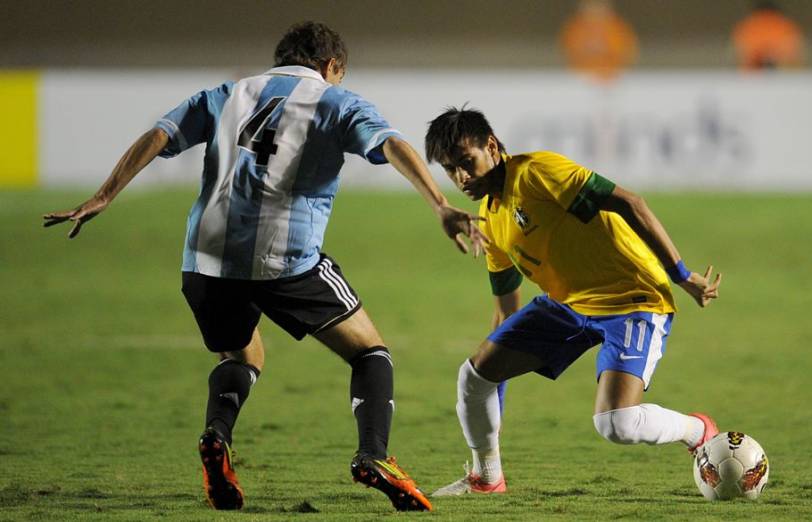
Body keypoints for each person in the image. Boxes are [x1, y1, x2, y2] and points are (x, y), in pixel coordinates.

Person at [43, 21, 484, 512]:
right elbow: (391, 144)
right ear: (331, 66)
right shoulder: (337, 101)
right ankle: (373, 456)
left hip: (205, 263)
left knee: (241, 358)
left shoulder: (229, 93)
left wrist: (105, 195)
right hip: (286, 261)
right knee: (369, 353)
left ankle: (217, 436)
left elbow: (160, 133)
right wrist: (441, 204)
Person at [423, 107, 722, 495]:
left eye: (466, 162)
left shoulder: (536, 174)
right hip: (568, 305)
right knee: (474, 377)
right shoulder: (489, 218)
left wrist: (682, 276)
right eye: (450, 169)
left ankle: (697, 430)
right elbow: (506, 313)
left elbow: (632, 204)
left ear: (492, 147)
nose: (461, 177)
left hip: (632, 298)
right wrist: (495, 377)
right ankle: (487, 478)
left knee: (616, 424)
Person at [732, 1, 804, 70]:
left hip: (753, 74)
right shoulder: (786, 26)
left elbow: (740, 51)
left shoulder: (748, 25)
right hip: (760, 73)